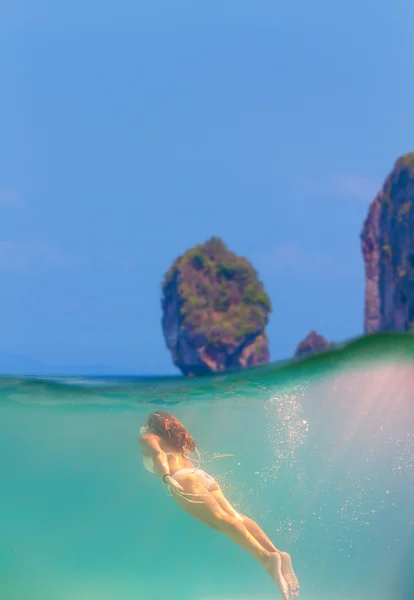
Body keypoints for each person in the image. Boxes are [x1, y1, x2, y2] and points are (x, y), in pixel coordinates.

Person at [139, 411, 299, 599]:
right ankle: (276, 552)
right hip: (202, 477)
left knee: (221, 521)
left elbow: (158, 455)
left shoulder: (148, 438)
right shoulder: (174, 439)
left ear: (151, 424)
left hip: (182, 479)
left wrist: (165, 476)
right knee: (235, 517)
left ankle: (266, 558)